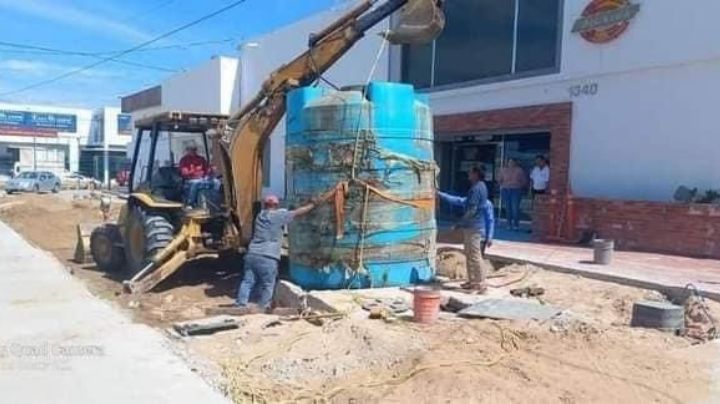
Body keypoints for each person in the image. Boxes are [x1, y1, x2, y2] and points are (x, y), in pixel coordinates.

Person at [236, 195, 316, 309]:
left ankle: (240, 304)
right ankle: (263, 306)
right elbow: (297, 212)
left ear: (265, 205)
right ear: (276, 205)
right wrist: (312, 205)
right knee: (268, 284)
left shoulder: (260, 216)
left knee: (247, 281)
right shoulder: (278, 215)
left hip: (252, 254)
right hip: (268, 256)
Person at [437, 166, 495, 292]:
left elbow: (472, 210)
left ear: (475, 174)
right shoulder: (480, 187)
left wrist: (459, 223)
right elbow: (460, 201)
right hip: (472, 227)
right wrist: (441, 195)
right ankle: (472, 281)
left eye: (470, 172)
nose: (468, 174)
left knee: (474, 255)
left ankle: (480, 282)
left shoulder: (477, 189)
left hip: (474, 228)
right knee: (468, 254)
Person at [178, 141, 213, 207]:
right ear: (187, 150)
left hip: (203, 179)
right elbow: (184, 173)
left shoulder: (201, 159)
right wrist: (194, 172)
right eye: (191, 149)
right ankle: (190, 203)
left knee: (216, 182)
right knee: (195, 183)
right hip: (190, 180)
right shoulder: (184, 160)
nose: (193, 151)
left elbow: (207, 169)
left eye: (194, 149)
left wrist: (209, 172)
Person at [499, 158, 526, 231]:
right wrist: (503, 186)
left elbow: (524, 181)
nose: (511, 163)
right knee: (508, 208)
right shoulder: (503, 170)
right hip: (506, 190)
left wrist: (518, 186)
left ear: (515, 163)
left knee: (515, 208)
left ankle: (516, 225)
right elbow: (499, 180)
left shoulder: (519, 170)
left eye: (512, 162)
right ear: (507, 162)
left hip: (516, 190)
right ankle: (508, 224)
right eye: (509, 162)